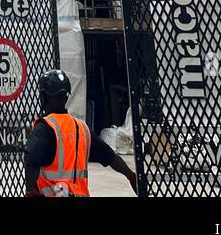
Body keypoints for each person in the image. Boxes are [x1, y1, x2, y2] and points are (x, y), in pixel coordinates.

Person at [24, 69, 137, 198]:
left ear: (43, 97)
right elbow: (110, 157)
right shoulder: (82, 128)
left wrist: (31, 191)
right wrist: (131, 176)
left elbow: (31, 159)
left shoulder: (45, 127)